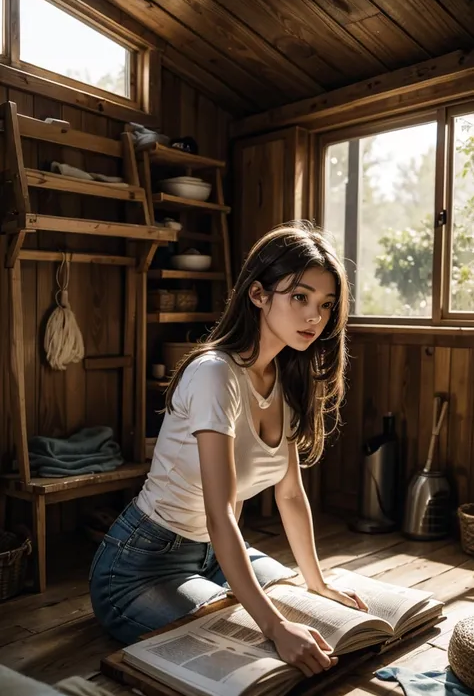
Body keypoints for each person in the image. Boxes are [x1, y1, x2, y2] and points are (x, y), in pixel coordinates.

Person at [89, 221, 368, 677]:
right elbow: (220, 512)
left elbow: (291, 495)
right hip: (141, 564)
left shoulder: (287, 380)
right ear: (258, 294)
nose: (315, 316)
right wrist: (275, 628)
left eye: (325, 304)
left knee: (306, 611)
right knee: (255, 646)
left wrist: (318, 583)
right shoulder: (214, 374)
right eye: (300, 297)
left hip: (218, 551)